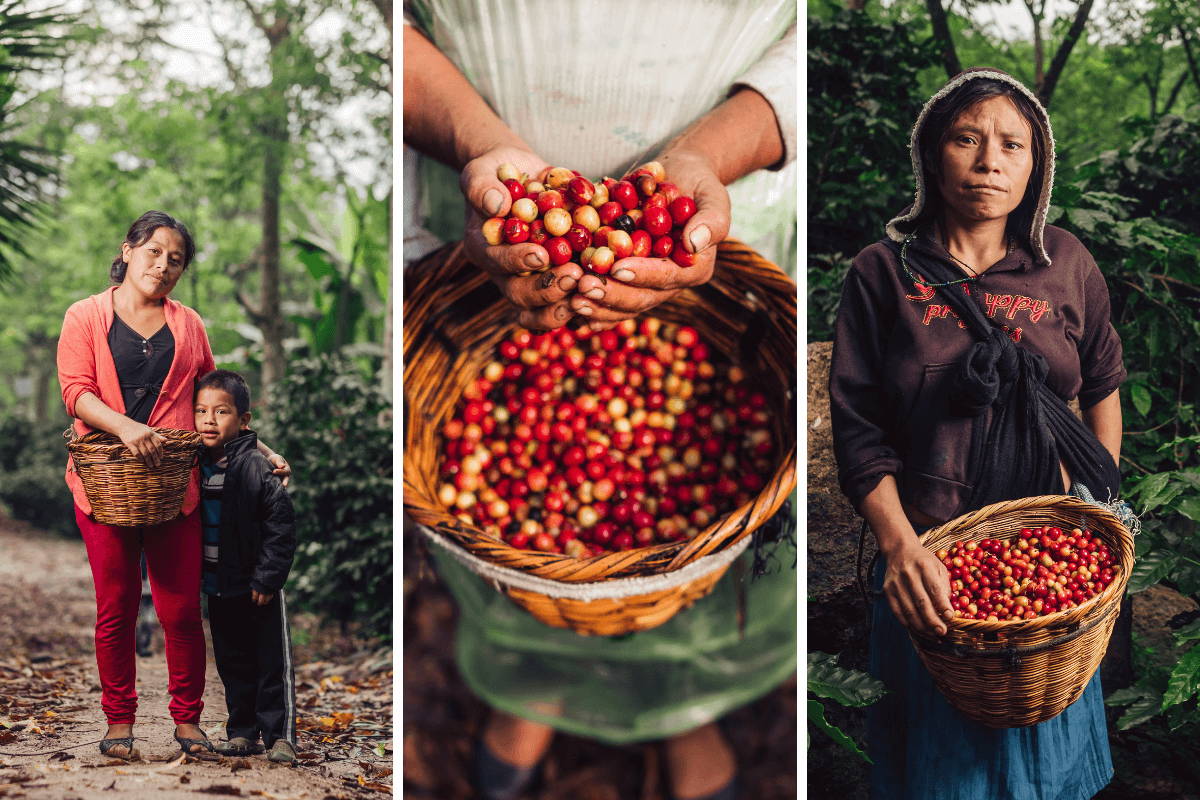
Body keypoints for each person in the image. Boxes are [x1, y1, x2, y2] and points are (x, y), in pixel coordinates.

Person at [404, 6, 797, 799]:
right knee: (515, 564)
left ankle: (684, 705)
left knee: (703, 562)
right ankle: (532, 689)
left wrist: (706, 155)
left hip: (718, 218)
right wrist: (480, 146)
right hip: (483, 226)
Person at [830, 69, 1126, 799]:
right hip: (928, 563)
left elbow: (1102, 388)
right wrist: (900, 548)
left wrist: (1087, 511)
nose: (990, 160)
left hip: (1048, 569)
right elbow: (858, 428)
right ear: (933, 155)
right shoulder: (882, 273)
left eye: (1012, 145)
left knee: (1045, 760)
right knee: (944, 769)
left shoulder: (1066, 265)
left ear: (1036, 167)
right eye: (968, 139)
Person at [56, 211, 291, 761]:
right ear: (129, 249)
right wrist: (126, 427)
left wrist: (259, 447)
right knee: (114, 609)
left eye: (176, 260)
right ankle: (119, 721)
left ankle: (187, 722)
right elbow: (76, 391)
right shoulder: (85, 316)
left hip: (175, 490)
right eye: (154, 252)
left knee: (181, 611)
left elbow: (214, 401)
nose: (163, 266)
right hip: (104, 488)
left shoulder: (189, 325)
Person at [194, 369, 298, 764]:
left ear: (243, 420)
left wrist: (268, 577)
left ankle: (280, 735)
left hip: (257, 583)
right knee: (232, 660)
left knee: (270, 660)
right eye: (201, 411)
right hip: (219, 583)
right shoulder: (194, 463)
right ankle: (242, 730)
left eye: (221, 412)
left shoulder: (256, 466)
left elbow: (280, 526)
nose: (209, 420)